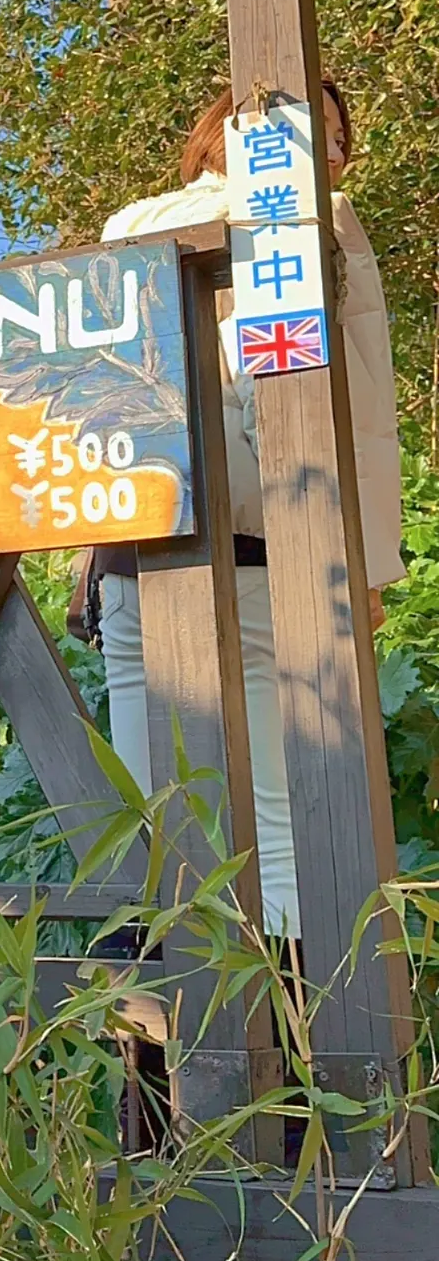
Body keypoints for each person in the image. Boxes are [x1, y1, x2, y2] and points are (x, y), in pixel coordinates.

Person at [87, 79, 404, 938]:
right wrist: (366, 566)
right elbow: (353, 410)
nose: (335, 154)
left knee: (157, 819)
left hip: (137, 544)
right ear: (256, 137)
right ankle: (300, 1048)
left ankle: (162, 1060)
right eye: (323, 133)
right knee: (277, 825)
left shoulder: (130, 224)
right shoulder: (316, 218)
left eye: (341, 140)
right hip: (270, 544)